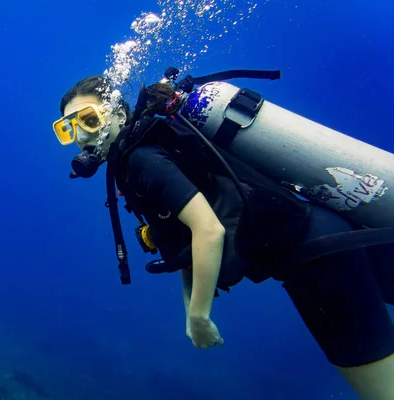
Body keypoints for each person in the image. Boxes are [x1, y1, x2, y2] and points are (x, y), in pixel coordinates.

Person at [52, 74, 394, 399]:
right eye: (68, 129)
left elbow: (208, 230)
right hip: (329, 236)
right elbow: (184, 242)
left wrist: (199, 316)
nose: (81, 135)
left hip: (317, 264)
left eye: (89, 120)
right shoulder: (139, 156)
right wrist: (190, 309)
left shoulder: (141, 160)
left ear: (116, 113)